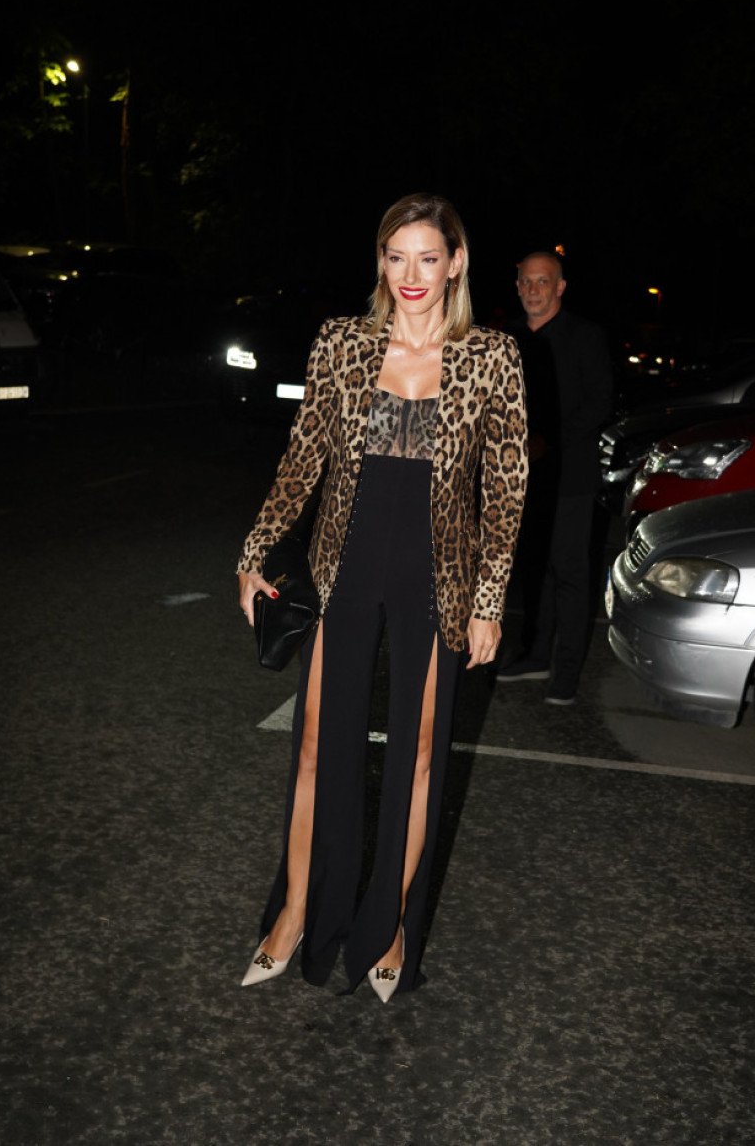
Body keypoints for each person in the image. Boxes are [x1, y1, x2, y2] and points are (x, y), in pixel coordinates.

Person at [236, 193, 528, 1000]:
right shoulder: (343, 341)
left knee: (420, 754)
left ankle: (391, 923)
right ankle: (297, 911)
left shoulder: (493, 356)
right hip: (346, 563)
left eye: (428, 257)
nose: (411, 273)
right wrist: (256, 551)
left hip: (438, 575)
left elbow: (506, 489)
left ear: (456, 262)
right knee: (314, 747)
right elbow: (303, 457)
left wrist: (489, 599)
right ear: (380, 260)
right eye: (396, 256)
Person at [496, 250, 613, 705]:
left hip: (569, 478)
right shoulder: (508, 338)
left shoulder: (584, 336)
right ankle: (535, 655)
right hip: (520, 479)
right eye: (525, 281)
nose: (532, 289)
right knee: (534, 571)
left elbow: (599, 402)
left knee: (569, 574)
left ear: (560, 287)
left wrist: (548, 441)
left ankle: (566, 672)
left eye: (542, 281)